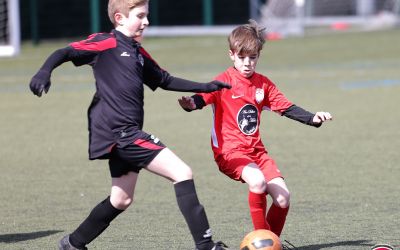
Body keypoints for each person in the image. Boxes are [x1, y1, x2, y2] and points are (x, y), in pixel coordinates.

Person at [29, 0, 231, 249]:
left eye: (147, 15)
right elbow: (66, 52)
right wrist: (44, 71)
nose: (146, 22)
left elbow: (164, 79)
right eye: (141, 16)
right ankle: (206, 245)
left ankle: (72, 243)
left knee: (121, 199)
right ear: (120, 17)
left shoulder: (137, 51)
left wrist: (206, 86)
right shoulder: (106, 42)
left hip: (123, 135)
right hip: (121, 133)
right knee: (182, 173)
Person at [178, 20, 332, 238]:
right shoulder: (223, 82)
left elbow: (286, 107)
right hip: (229, 153)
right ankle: (261, 240)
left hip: (257, 153)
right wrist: (191, 104)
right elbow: (202, 98)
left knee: (283, 199)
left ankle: (271, 241)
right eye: (242, 58)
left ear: (259, 55)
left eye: (253, 57)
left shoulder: (263, 84)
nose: (248, 63)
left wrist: (313, 118)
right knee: (258, 181)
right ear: (231, 54)